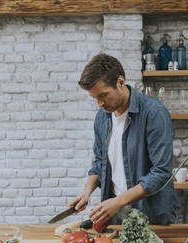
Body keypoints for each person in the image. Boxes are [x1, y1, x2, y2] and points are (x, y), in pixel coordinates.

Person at [69, 53, 180, 226]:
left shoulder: (154, 113)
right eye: (94, 98)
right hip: (116, 212)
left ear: (120, 82)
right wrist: (86, 192)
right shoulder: (101, 118)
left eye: (103, 95)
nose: (99, 103)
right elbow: (100, 162)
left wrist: (119, 201)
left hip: (151, 214)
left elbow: (161, 172)